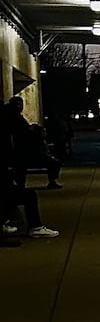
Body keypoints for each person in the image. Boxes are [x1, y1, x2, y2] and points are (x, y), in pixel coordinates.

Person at [1, 97, 59, 240]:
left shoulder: (10, 118)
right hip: (14, 161)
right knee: (25, 194)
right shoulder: (13, 120)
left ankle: (7, 221)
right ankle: (34, 227)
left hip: (14, 162)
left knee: (16, 189)